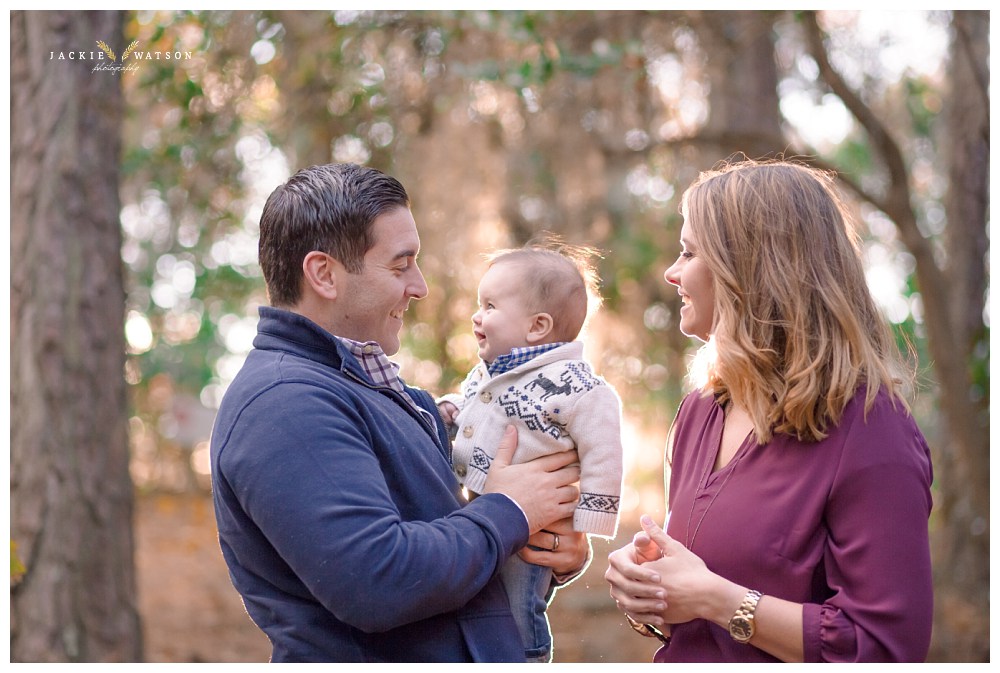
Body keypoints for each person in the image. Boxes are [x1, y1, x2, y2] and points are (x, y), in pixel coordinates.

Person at [209, 163, 591, 662]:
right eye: (400, 264)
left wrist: (540, 547)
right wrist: (509, 511)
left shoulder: (362, 387)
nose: (420, 286)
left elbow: (452, 553)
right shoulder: (284, 405)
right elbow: (380, 580)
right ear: (324, 274)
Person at [604, 158, 934, 663]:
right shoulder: (701, 411)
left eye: (689, 252)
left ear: (750, 270)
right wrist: (652, 589)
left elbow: (887, 648)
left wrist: (718, 599)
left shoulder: (869, 426)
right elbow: (696, 608)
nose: (671, 273)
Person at [437, 239, 624, 662]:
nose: (476, 315)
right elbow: (475, 405)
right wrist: (450, 406)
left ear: (537, 327)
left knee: (519, 596)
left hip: (538, 523)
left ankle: (528, 654)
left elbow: (604, 449)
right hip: (488, 508)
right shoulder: (492, 371)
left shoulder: (578, 386)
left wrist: (592, 514)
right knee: (487, 595)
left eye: (489, 306)